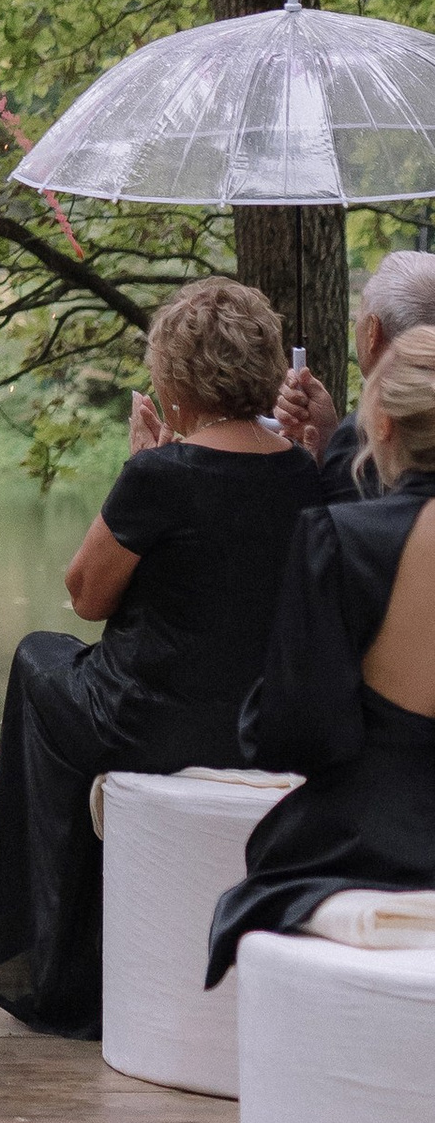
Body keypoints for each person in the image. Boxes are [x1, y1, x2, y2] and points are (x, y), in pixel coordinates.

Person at [0, 277, 322, 1038]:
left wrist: (139, 464)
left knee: (41, 661)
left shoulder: (158, 476)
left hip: (155, 722)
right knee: (65, 674)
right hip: (264, 722)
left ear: (173, 378)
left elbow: (87, 597)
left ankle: (41, 942)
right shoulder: (306, 472)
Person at [208, 325, 435, 977]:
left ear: (383, 428)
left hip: (377, 835)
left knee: (271, 858)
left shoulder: (341, 536)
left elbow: (296, 732)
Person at [273, 250, 435, 499]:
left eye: (357, 316)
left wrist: (332, 451)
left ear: (373, 331)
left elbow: (344, 523)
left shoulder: (370, 430)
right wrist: (330, 435)